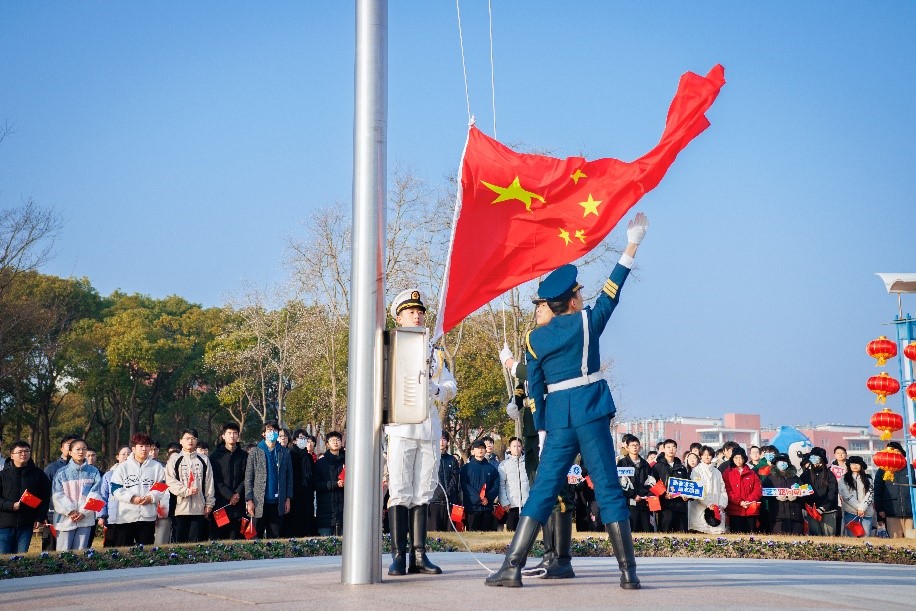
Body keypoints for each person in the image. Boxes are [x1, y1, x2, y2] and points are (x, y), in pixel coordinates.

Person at [486, 212, 648, 589]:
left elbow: (536, 388)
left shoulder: (534, 339)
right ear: (573, 301)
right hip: (591, 412)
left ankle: (512, 567)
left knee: (543, 491)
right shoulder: (587, 322)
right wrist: (632, 244)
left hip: (558, 419)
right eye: (579, 293)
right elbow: (612, 291)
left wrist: (542, 430)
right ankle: (628, 573)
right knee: (608, 488)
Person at [385, 289, 457, 576]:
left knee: (423, 491)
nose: (416, 316)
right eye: (410, 312)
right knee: (400, 491)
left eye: (420, 312)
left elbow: (451, 387)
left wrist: (436, 389)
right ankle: (398, 556)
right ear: (399, 318)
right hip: (401, 428)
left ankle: (419, 555)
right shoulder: (389, 347)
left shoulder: (434, 353)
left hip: (427, 427)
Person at [111, 433, 166, 546]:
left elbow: (161, 487)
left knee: (146, 550)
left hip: (147, 516)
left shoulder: (157, 467)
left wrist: (151, 498)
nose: (144, 449)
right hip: (126, 517)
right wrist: (132, 498)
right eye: (141, 446)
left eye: (147, 446)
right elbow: (115, 489)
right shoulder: (123, 467)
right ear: (133, 449)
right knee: (124, 550)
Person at [245, 420, 294, 539]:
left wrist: (288, 498)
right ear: (264, 433)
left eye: (275, 430)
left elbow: (289, 477)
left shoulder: (284, 452)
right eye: (269, 430)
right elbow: (249, 477)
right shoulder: (255, 452)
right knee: (254, 538)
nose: (272, 432)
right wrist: (249, 500)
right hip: (258, 502)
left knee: (274, 539)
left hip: (278, 502)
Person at [51, 439, 102, 551]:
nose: (81, 451)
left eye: (84, 449)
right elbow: (57, 495)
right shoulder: (61, 472)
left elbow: (97, 493)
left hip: (85, 519)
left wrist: (84, 512)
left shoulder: (94, 472)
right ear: (70, 452)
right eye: (78, 449)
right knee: (63, 552)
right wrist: (71, 511)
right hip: (65, 519)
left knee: (81, 552)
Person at [0, 441, 51, 553]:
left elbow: (45, 497)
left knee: (21, 557)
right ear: (12, 455)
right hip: (4, 525)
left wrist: (40, 518)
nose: (24, 454)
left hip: (26, 524)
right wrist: (11, 505)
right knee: (3, 558)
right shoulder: (3, 475)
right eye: (20, 452)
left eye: (27, 451)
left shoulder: (38, 474)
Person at [166, 428, 215, 543]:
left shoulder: (204, 460)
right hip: (179, 509)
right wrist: (186, 491)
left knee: (196, 543)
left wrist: (209, 504)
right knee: (179, 543)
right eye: (187, 438)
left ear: (196, 441)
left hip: (199, 509)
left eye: (193, 438)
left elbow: (209, 483)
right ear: (181, 441)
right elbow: (170, 482)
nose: (190, 441)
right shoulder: (174, 460)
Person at [210, 422, 248, 540]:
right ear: (223, 436)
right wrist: (229, 495)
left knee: (237, 536)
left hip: (239, 503)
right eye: (229, 433)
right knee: (220, 536)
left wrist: (237, 494)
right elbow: (215, 479)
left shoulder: (244, 455)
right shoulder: (215, 456)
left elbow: (247, 477)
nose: (232, 436)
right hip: (221, 503)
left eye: (235, 433)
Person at [874, 441, 914, 538]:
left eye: (897, 451)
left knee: (912, 539)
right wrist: (880, 509)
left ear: (902, 453)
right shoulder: (882, 470)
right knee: (895, 540)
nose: (894, 453)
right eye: (891, 451)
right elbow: (878, 491)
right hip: (891, 512)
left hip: (911, 511)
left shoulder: (910, 468)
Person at [687, 446, 727, 534]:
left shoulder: (717, 472)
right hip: (700, 508)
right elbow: (698, 490)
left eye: (709, 455)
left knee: (717, 534)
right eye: (704, 455)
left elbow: (723, 490)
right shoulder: (697, 471)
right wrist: (708, 504)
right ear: (700, 456)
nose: (707, 457)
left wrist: (721, 505)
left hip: (716, 508)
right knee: (701, 532)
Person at [461, 439, 499, 531]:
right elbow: (465, 485)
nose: (480, 450)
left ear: (485, 450)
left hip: (487, 507)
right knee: (472, 535)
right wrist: (478, 499)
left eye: (482, 448)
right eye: (478, 448)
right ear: (473, 451)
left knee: (486, 535)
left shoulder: (491, 468)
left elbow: (496, 485)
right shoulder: (466, 468)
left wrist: (488, 498)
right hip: (472, 507)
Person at [652, 439, 689, 533]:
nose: (671, 449)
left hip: (680, 506)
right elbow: (652, 484)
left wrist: (687, 496)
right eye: (668, 447)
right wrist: (663, 494)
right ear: (664, 449)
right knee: (665, 534)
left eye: (673, 447)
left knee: (682, 535)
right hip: (665, 506)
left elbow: (688, 484)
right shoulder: (657, 467)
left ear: (676, 449)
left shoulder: (682, 467)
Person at [799, 446, 838, 536]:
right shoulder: (806, 474)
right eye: (812, 457)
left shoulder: (829, 474)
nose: (813, 459)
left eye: (816, 457)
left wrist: (823, 507)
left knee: (829, 536)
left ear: (821, 459)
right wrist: (806, 506)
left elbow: (833, 492)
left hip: (828, 511)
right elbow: (801, 490)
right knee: (814, 535)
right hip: (811, 511)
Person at [762, 452, 804, 535]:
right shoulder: (770, 478)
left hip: (795, 516)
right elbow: (764, 493)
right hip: (777, 516)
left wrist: (796, 497)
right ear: (776, 463)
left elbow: (804, 493)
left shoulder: (795, 478)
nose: (782, 463)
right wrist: (776, 497)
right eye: (780, 462)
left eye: (784, 461)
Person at [617, 434, 652, 533]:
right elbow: (621, 482)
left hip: (644, 502)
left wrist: (644, 494)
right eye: (632, 445)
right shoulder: (622, 463)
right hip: (629, 502)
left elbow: (651, 481)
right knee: (631, 529)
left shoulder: (645, 464)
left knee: (646, 530)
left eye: (637, 445)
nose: (635, 447)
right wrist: (633, 495)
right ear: (627, 448)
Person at [722, 446, 761, 533]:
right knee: (736, 536)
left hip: (750, 509)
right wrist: (739, 502)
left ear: (744, 459)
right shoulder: (727, 473)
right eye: (736, 458)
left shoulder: (751, 473)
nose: (738, 460)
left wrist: (749, 501)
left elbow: (757, 489)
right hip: (735, 511)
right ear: (732, 459)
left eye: (740, 458)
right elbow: (727, 490)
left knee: (751, 535)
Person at [428, 431, 461, 531]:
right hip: (434, 500)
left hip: (450, 500)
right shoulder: (430, 459)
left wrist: (448, 492)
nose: (441, 442)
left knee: (450, 531)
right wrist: (439, 493)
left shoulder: (452, 460)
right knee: (434, 532)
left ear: (447, 442)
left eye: (444, 439)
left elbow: (455, 479)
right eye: (439, 439)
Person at [98, 445, 130, 546]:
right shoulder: (108, 475)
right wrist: (102, 516)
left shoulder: (135, 474)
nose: (126, 456)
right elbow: (102, 496)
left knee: (125, 545)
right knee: (110, 545)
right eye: (123, 454)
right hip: (112, 517)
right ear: (117, 457)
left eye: (129, 454)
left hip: (129, 517)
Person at [314, 431, 345, 536]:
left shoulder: (347, 462)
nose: (335, 442)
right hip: (326, 512)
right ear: (327, 444)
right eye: (332, 440)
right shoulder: (320, 463)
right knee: (326, 542)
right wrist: (335, 484)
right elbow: (316, 484)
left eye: (338, 440)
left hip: (344, 512)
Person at [287, 428, 316, 536]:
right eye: (300, 438)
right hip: (294, 495)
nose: (303, 440)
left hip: (307, 495)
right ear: (294, 441)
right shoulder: (289, 455)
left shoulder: (308, 457)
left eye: (305, 438)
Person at [498, 437, 529, 531]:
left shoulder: (528, 463)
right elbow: (501, 485)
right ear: (509, 448)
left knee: (526, 531)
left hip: (527, 504)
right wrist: (504, 502)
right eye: (514, 446)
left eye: (519, 446)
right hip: (512, 505)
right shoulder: (504, 465)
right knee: (512, 531)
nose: (516, 448)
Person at [839, 455, 874, 537]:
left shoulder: (868, 479)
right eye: (852, 464)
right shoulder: (844, 479)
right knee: (852, 538)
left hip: (866, 513)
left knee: (866, 536)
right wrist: (859, 508)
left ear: (861, 465)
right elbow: (845, 494)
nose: (855, 466)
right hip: (850, 512)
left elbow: (870, 494)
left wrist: (862, 508)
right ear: (849, 465)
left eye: (857, 464)